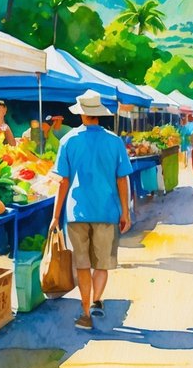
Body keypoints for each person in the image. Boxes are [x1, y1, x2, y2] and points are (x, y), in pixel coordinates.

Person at [49, 90, 134, 330]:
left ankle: (85, 313)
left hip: (77, 213)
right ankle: (97, 299)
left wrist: (55, 216)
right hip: (108, 211)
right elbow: (122, 180)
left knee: (82, 265)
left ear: (82, 115)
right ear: (98, 115)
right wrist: (125, 212)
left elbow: (63, 181)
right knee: (102, 263)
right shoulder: (114, 141)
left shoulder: (69, 141)